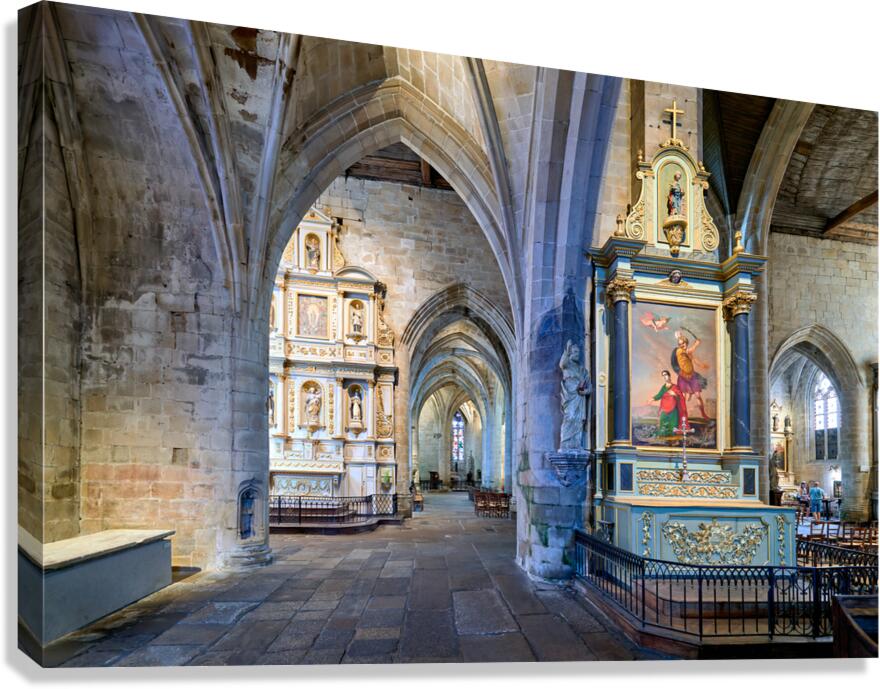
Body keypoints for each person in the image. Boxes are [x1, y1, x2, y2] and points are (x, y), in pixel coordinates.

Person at [647, 369, 688, 438]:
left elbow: (681, 397)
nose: (665, 377)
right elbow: (659, 395)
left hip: (673, 410)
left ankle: (672, 442)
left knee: (673, 427)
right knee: (662, 426)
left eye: (665, 375)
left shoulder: (675, 387)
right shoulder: (663, 387)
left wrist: (674, 394)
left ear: (669, 375)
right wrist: (651, 399)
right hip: (665, 409)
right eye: (663, 375)